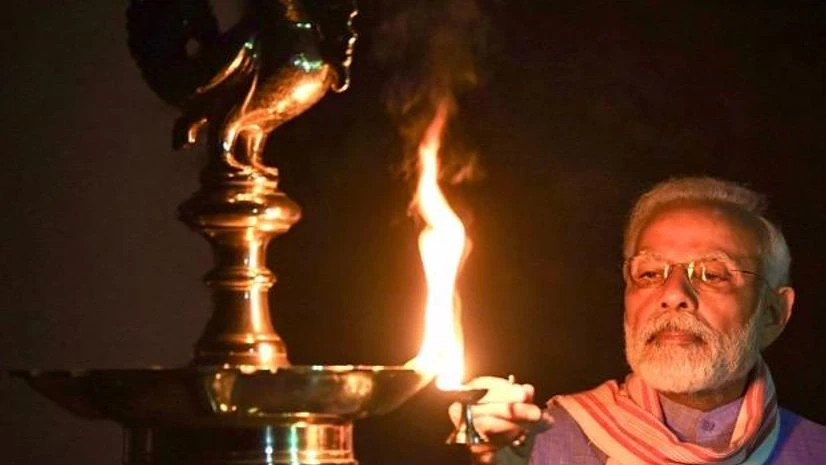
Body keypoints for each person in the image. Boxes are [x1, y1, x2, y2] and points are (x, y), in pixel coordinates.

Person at [451, 177, 826, 465]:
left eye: (712, 274)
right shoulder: (537, 442)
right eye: (649, 274)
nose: (673, 293)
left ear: (773, 314)